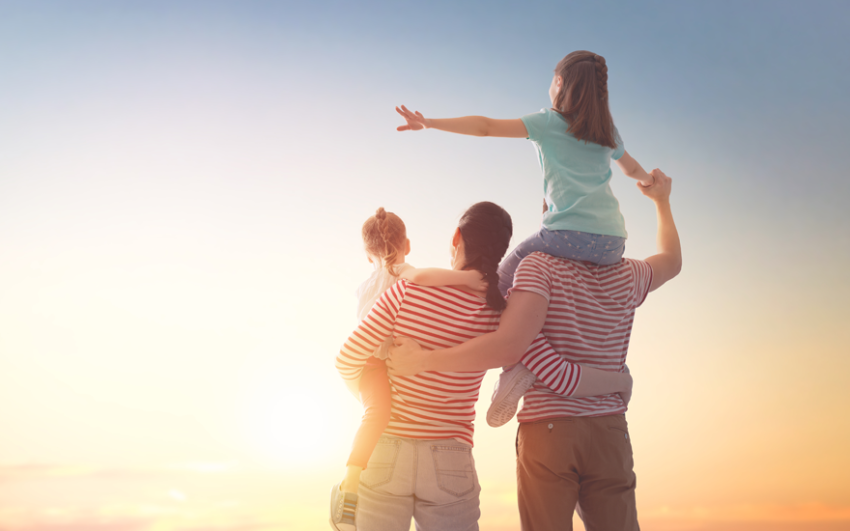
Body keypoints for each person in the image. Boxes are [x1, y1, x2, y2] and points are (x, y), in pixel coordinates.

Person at [388, 172, 682, 531]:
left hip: (549, 428)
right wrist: (662, 202)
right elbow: (671, 260)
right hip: (609, 429)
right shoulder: (629, 274)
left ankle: (516, 380)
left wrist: (424, 359)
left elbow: (512, 344)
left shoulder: (538, 267)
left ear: (550, 217)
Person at [335, 202, 635, 531]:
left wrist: (376, 405)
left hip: (386, 447)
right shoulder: (501, 315)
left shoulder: (406, 292)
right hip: (451, 455)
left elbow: (347, 359)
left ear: (456, 237)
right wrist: (617, 381)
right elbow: (552, 369)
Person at [395, 51, 660, 422]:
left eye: (554, 77)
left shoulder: (549, 122)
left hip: (567, 236)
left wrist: (430, 123)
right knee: (533, 294)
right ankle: (528, 360)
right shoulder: (605, 133)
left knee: (498, 285)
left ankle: (515, 368)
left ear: (561, 85)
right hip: (613, 242)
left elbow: (486, 126)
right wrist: (651, 183)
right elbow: (631, 168)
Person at [330, 207, 489, 531]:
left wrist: (365, 393)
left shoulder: (389, 290)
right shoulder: (494, 308)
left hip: (385, 435)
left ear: (366, 253)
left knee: (373, 414)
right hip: (450, 453)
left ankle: (349, 481)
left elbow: (348, 357)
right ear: (409, 244)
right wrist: (474, 279)